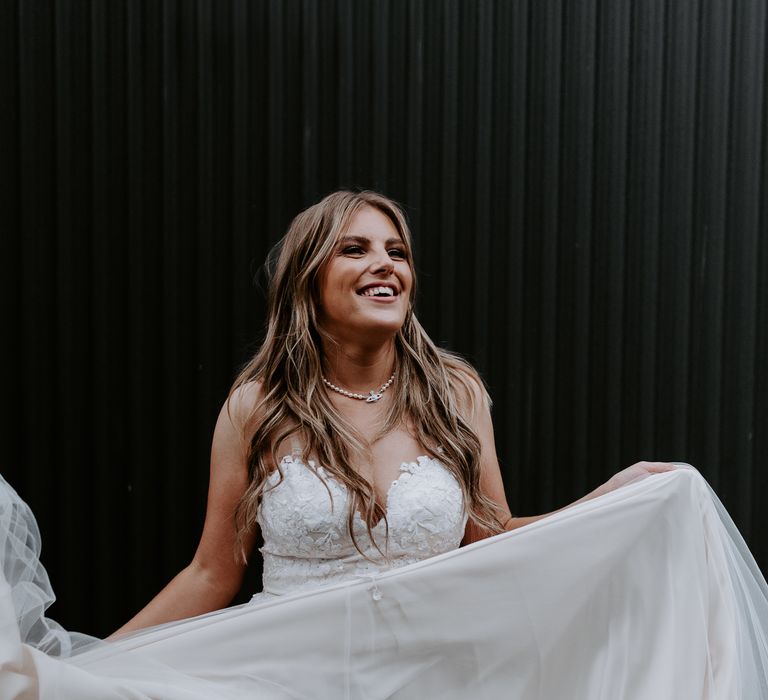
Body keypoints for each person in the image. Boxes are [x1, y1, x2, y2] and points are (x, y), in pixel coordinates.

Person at [2, 190, 767, 699]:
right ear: (310, 280)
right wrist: (97, 668)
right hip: (293, 676)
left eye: (397, 251)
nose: (385, 265)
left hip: (440, 675)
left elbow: (492, 540)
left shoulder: (454, 392)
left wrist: (609, 501)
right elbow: (212, 571)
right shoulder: (255, 405)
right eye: (357, 249)